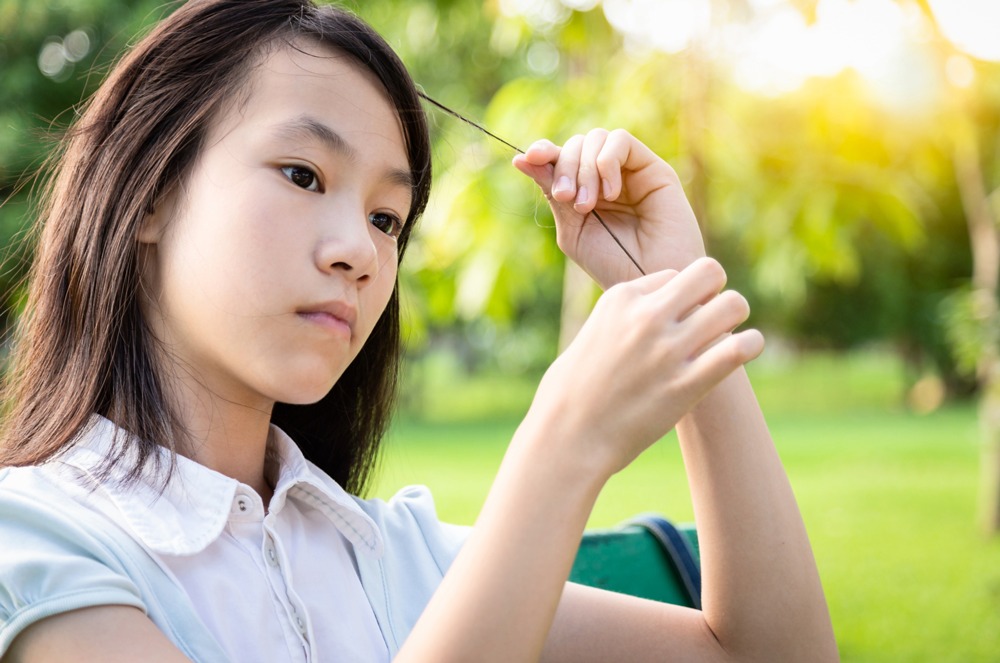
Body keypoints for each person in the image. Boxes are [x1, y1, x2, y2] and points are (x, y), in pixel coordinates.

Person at [0, 0, 839, 661]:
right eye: (303, 174)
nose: (359, 251)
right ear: (147, 192)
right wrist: (560, 448)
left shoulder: (387, 553)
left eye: (388, 216)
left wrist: (679, 297)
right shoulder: (33, 540)